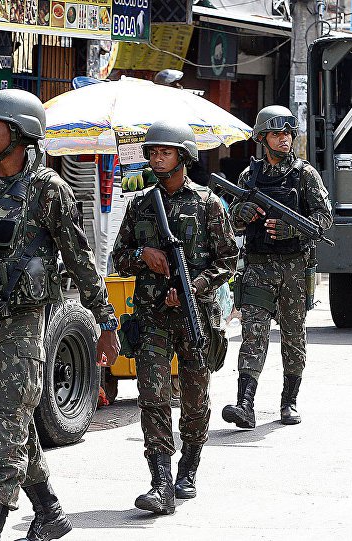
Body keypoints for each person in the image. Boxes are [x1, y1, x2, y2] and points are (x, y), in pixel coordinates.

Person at [0, 89, 120, 541]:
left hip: (22, 320)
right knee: (7, 418)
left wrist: (106, 321)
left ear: (19, 135)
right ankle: (50, 511)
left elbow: (80, 260)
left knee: (10, 415)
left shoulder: (48, 190)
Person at [111, 119, 238, 515]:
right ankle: (161, 480)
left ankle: (188, 467)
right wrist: (142, 255)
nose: (156, 157)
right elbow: (118, 256)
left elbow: (228, 260)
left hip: (195, 316)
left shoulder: (208, 204)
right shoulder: (140, 204)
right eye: (152, 152)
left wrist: (192, 287)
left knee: (196, 400)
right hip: (151, 316)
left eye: (164, 152)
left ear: (183, 156)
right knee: (152, 398)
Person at [221, 105, 332, 429]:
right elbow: (233, 226)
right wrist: (240, 216)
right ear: (262, 138)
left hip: (294, 268)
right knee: (253, 333)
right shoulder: (249, 176)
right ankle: (245, 405)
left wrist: (293, 229)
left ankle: (289, 401)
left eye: (287, 134)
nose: (283, 140)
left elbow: (324, 218)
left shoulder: (305, 174)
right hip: (257, 267)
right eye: (276, 134)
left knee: (293, 335)